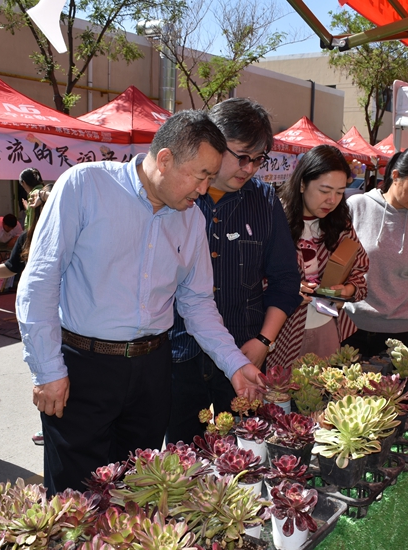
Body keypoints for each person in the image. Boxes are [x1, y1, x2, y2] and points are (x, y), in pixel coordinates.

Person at [16, 109, 264, 495]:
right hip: (83, 368)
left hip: (152, 370)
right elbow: (40, 281)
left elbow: (197, 304)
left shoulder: (192, 220)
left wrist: (234, 364)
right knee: (75, 497)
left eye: (209, 179)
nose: (203, 189)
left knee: (137, 490)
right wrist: (47, 370)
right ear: (165, 159)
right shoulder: (86, 186)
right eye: (200, 176)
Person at [166, 98, 301, 445]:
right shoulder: (178, 198)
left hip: (244, 351)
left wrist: (263, 341)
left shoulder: (264, 201)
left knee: (244, 452)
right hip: (179, 355)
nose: (249, 168)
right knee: (183, 456)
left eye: (258, 160)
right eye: (241, 156)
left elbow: (286, 281)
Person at [268, 145, 368, 368]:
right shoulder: (275, 220)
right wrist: (286, 290)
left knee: (323, 394)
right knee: (278, 395)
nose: (332, 200)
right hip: (281, 331)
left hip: (326, 326)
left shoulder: (340, 224)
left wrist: (347, 290)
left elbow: (359, 270)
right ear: (302, 184)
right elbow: (252, 276)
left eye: (340, 192)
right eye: (325, 190)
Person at [341, 146, 408, 356]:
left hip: (397, 332)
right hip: (349, 325)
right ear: (396, 176)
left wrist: (396, 307)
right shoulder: (357, 207)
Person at [0, 184, 54, 446]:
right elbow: (10, 267)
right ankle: (49, 423)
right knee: (44, 375)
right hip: (39, 321)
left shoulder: (78, 234)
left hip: (73, 321)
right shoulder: (28, 238)